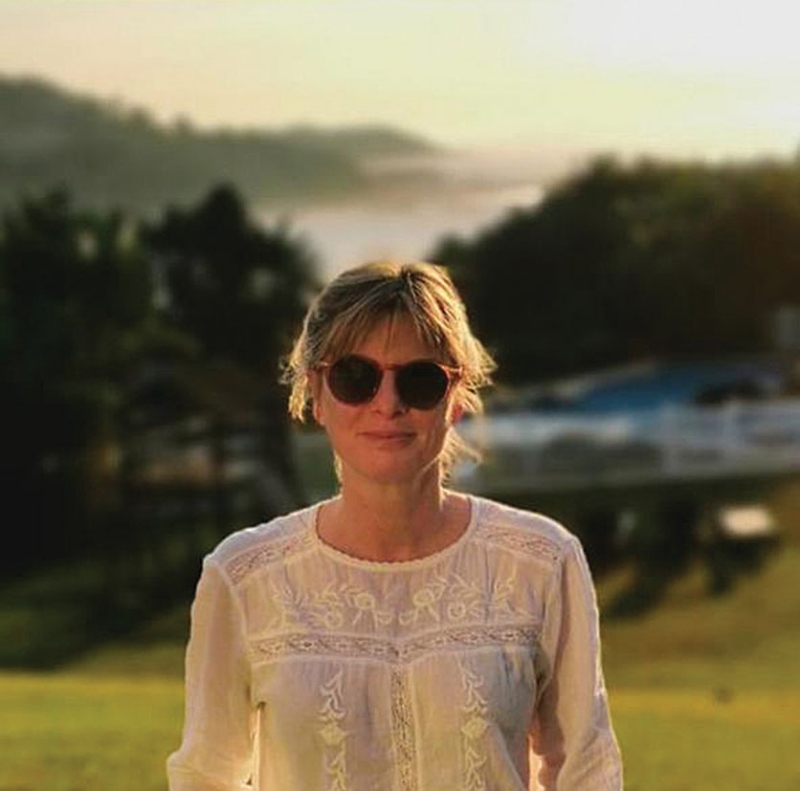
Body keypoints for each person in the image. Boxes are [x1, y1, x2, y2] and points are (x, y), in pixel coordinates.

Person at [167, 260, 623, 790]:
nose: (388, 404)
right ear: (317, 393)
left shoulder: (540, 562)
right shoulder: (244, 576)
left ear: (456, 398)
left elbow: (587, 771)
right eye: (355, 377)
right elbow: (204, 776)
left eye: (420, 379)